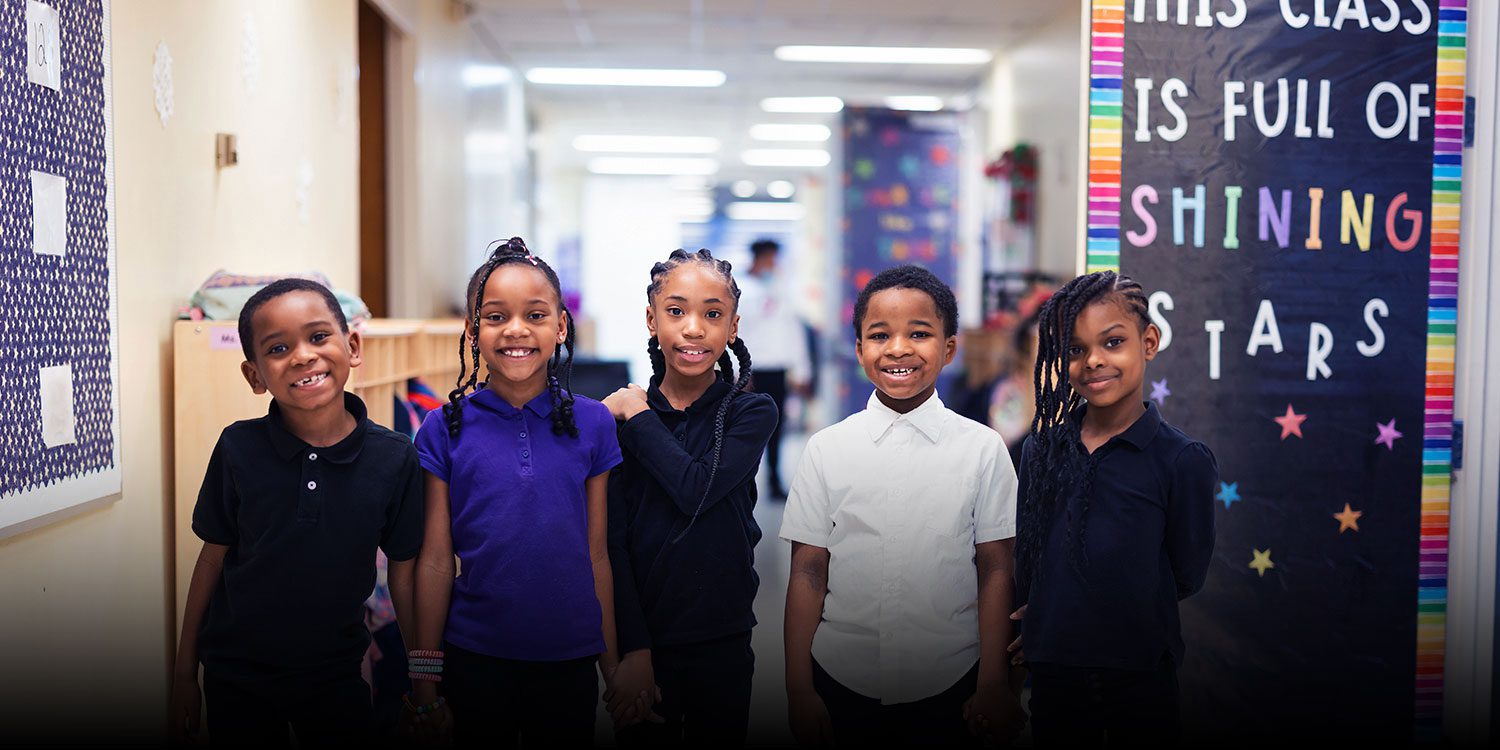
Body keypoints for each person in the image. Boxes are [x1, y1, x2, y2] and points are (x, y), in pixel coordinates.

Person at [170, 279, 425, 746]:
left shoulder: (394, 458)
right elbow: (211, 560)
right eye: (279, 347)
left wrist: (423, 684)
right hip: (236, 674)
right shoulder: (237, 447)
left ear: (352, 346)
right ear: (255, 376)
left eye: (318, 337)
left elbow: (406, 577)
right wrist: (184, 674)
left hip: (337, 672)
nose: (303, 355)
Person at [779, 265, 1024, 747]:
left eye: (919, 333)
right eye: (879, 335)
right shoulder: (827, 449)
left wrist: (994, 681)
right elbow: (807, 572)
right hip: (842, 678)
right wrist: (797, 689)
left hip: (951, 679)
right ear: (859, 350)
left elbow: (996, 569)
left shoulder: (983, 448)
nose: (897, 349)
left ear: (949, 348)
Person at [407, 238, 624, 747]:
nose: (516, 330)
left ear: (561, 326)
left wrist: (611, 666)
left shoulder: (593, 423)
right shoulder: (442, 428)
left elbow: (597, 555)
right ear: (472, 328)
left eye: (535, 314)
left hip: (569, 658)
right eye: (496, 316)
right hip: (474, 656)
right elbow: (436, 561)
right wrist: (423, 680)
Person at [1010, 270, 1217, 747]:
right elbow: (1032, 556)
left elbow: (1186, 573)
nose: (1094, 361)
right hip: (1055, 673)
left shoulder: (1182, 460)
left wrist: (1102, 607)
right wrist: (1049, 616)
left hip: (1141, 675)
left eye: (1112, 342)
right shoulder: (1041, 450)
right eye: (1076, 349)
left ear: (1148, 342)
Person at [601, 248, 778, 746]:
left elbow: (695, 490)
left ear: (733, 327)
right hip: (645, 641)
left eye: (712, 314)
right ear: (652, 321)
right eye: (676, 311)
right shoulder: (615, 422)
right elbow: (611, 544)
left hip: (722, 638)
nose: (694, 328)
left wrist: (637, 415)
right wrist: (630, 650)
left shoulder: (750, 412)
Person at [735, 238, 809, 498]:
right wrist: (737, 372)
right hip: (750, 372)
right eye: (770, 258)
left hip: (778, 370)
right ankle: (742, 483)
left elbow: (793, 332)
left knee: (776, 427)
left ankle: (774, 481)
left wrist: (801, 371)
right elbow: (735, 334)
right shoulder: (740, 291)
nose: (774, 264)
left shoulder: (781, 291)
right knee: (747, 428)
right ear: (758, 258)